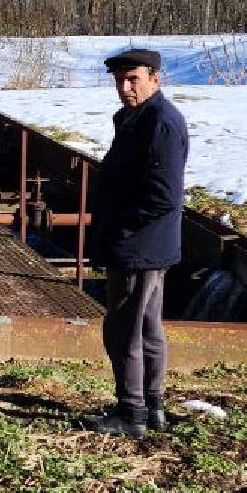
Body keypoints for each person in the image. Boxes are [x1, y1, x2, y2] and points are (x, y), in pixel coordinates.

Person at [82, 47, 189, 439]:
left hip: (140, 246)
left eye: (134, 80)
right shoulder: (134, 118)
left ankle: (132, 412)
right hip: (145, 243)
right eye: (119, 81)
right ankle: (152, 405)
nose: (125, 88)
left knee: (124, 328)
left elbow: (164, 196)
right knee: (145, 324)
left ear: (155, 79)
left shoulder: (160, 123)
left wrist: (123, 229)